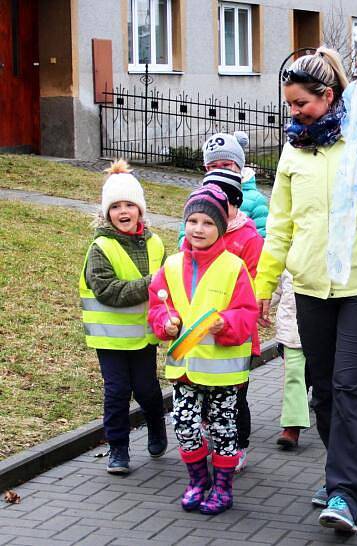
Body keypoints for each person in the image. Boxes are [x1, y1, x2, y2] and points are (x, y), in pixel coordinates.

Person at [254, 47, 357, 533]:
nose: (294, 113)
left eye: (301, 103)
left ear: (328, 96)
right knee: (322, 391)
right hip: (309, 287)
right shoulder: (292, 151)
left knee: (349, 385)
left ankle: (346, 492)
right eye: (290, 105)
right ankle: (338, 474)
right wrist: (265, 284)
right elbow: (280, 224)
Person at [148, 185, 258, 515]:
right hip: (185, 367)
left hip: (224, 372)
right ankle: (198, 481)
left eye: (208, 223)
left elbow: (247, 312)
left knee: (224, 431)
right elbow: (158, 305)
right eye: (193, 221)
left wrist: (225, 323)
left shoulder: (233, 267)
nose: (199, 229)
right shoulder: (170, 265)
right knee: (184, 426)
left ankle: (222, 487)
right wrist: (165, 321)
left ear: (220, 228)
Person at [79, 160, 167, 475]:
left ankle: (157, 425)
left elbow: (169, 286)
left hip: (144, 336)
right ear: (107, 213)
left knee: (147, 389)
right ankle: (118, 448)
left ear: (140, 210)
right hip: (110, 338)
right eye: (115, 206)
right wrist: (152, 282)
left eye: (130, 204)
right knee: (117, 392)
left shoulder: (155, 243)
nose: (123, 211)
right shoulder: (100, 247)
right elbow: (108, 291)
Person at [179, 168, 263, 473]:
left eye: (224, 199)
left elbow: (252, 287)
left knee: (235, 396)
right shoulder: (195, 237)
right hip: (198, 338)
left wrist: (223, 314)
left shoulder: (249, 238)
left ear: (235, 203)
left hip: (235, 336)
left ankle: (238, 444)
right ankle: (209, 434)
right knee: (202, 392)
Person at [202, 131, 269, 237]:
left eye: (226, 164)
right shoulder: (201, 196)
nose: (220, 170)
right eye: (213, 166)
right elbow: (186, 229)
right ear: (206, 169)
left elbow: (261, 236)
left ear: (239, 165)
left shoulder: (255, 200)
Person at [271, 271, 308, 449]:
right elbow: (273, 286)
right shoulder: (284, 249)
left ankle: (335, 423)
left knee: (326, 378)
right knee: (294, 376)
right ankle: (292, 427)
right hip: (292, 328)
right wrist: (255, 304)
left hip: (326, 326)